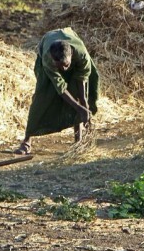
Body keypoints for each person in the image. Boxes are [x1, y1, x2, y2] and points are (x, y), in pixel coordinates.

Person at [14, 27, 99, 155]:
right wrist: (79, 108)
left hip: (75, 60)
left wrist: (84, 105)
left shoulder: (82, 56)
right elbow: (60, 87)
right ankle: (27, 141)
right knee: (41, 98)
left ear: (71, 56)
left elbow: (81, 79)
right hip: (49, 49)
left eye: (66, 65)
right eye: (60, 66)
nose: (63, 70)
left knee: (78, 95)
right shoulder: (48, 59)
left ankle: (78, 140)